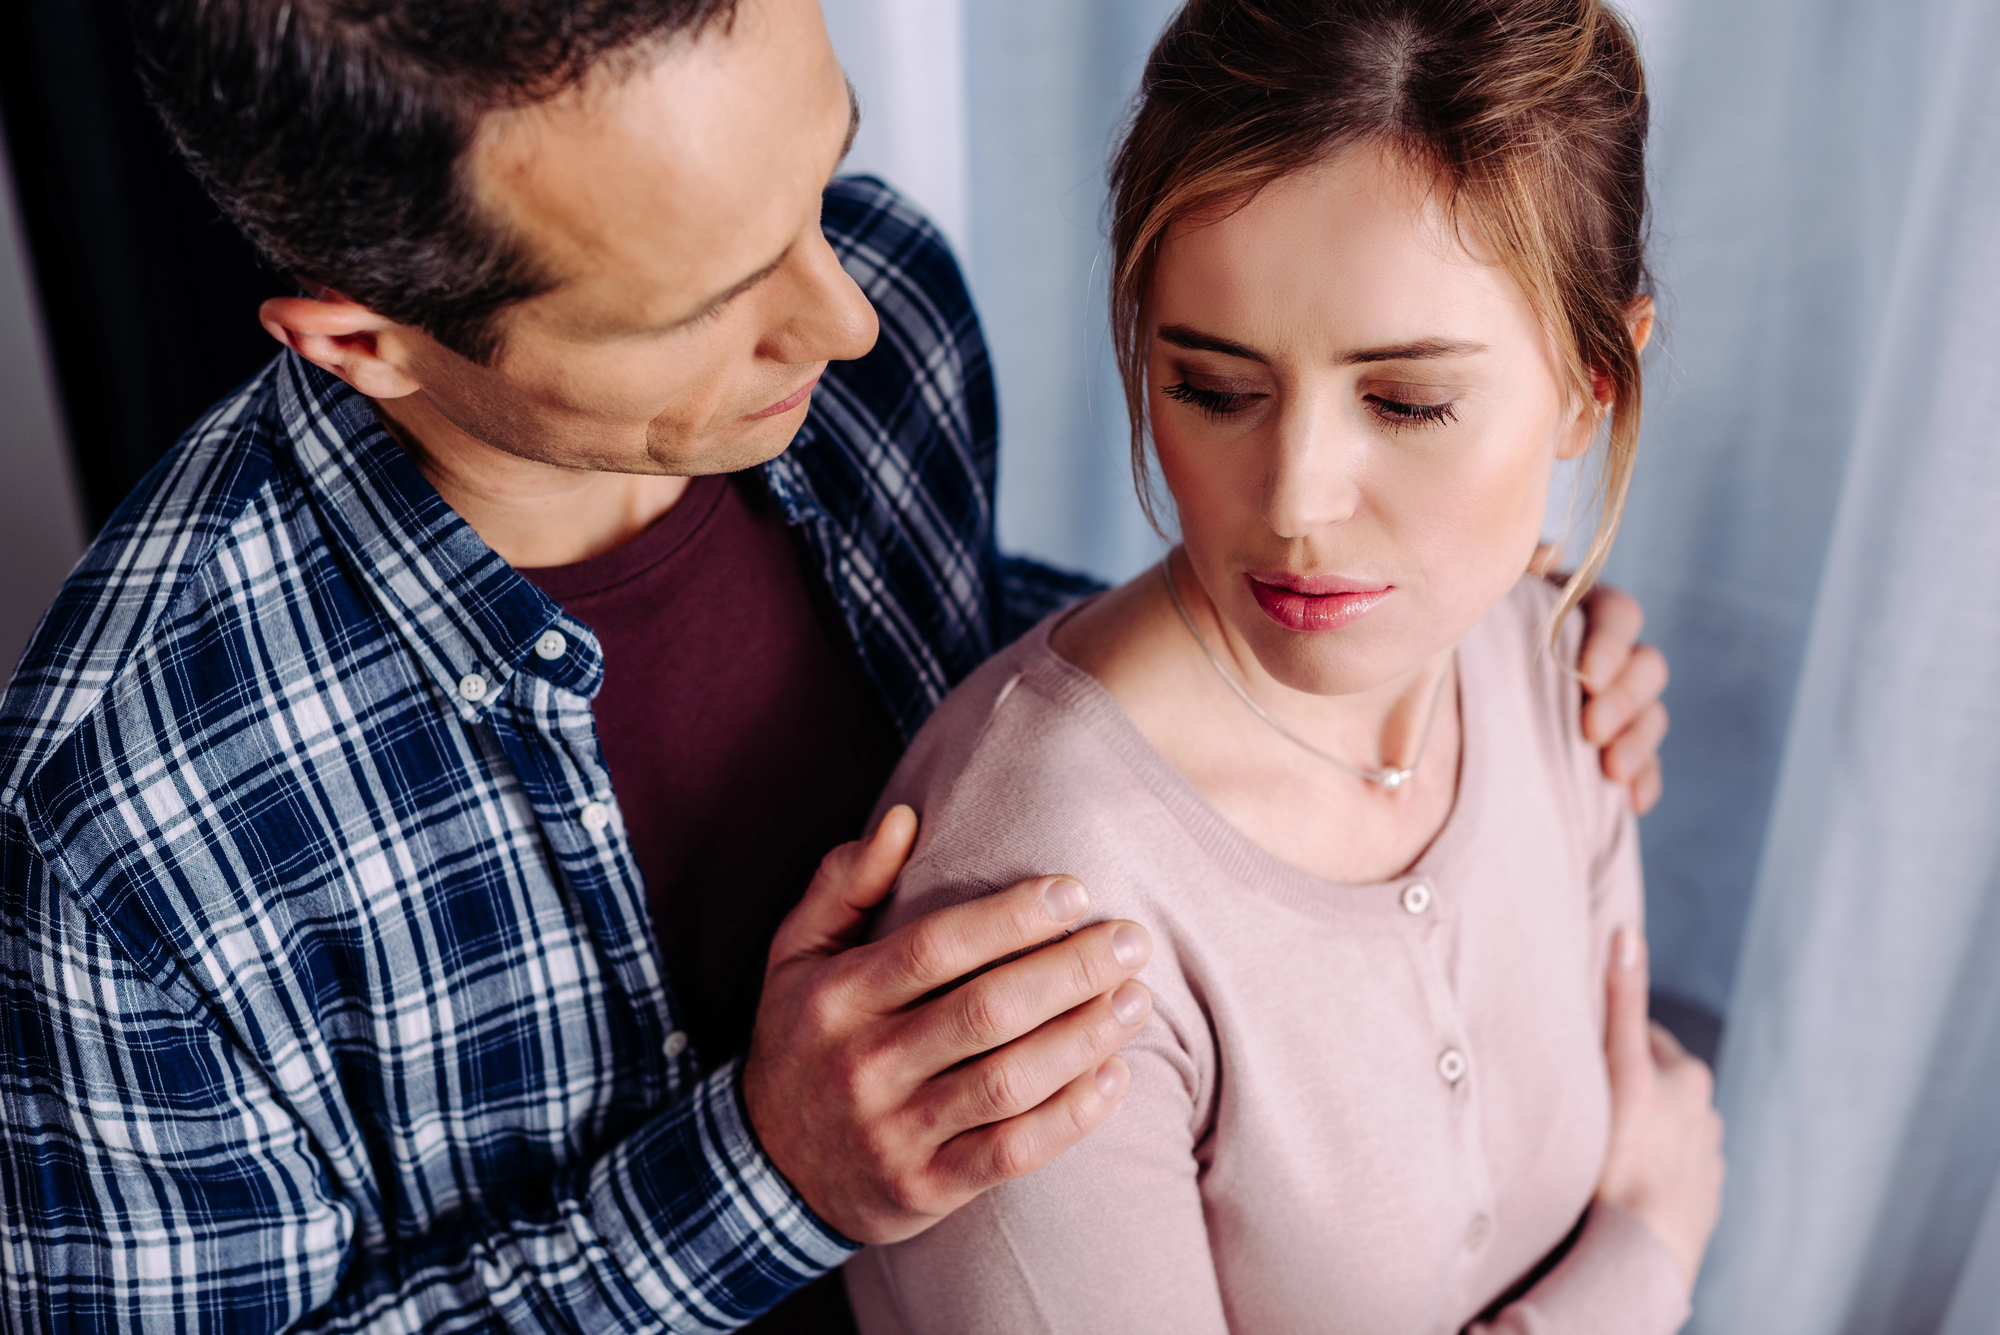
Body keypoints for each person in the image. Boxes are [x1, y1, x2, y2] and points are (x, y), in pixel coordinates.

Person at [0, 0, 1671, 1329]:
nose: (843, 311)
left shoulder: (881, 325)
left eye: (813, 181)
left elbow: (981, 640)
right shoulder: (125, 839)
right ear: (366, 339)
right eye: (713, 295)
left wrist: (1451, 626)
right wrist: (759, 1177)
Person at [845, 1, 1721, 1332]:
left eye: (1408, 401)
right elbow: (1650, 1170)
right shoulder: (1044, 896)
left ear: (1592, 387)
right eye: (1212, 386)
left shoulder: (1559, 673)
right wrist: (1650, 1253)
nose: (1299, 501)